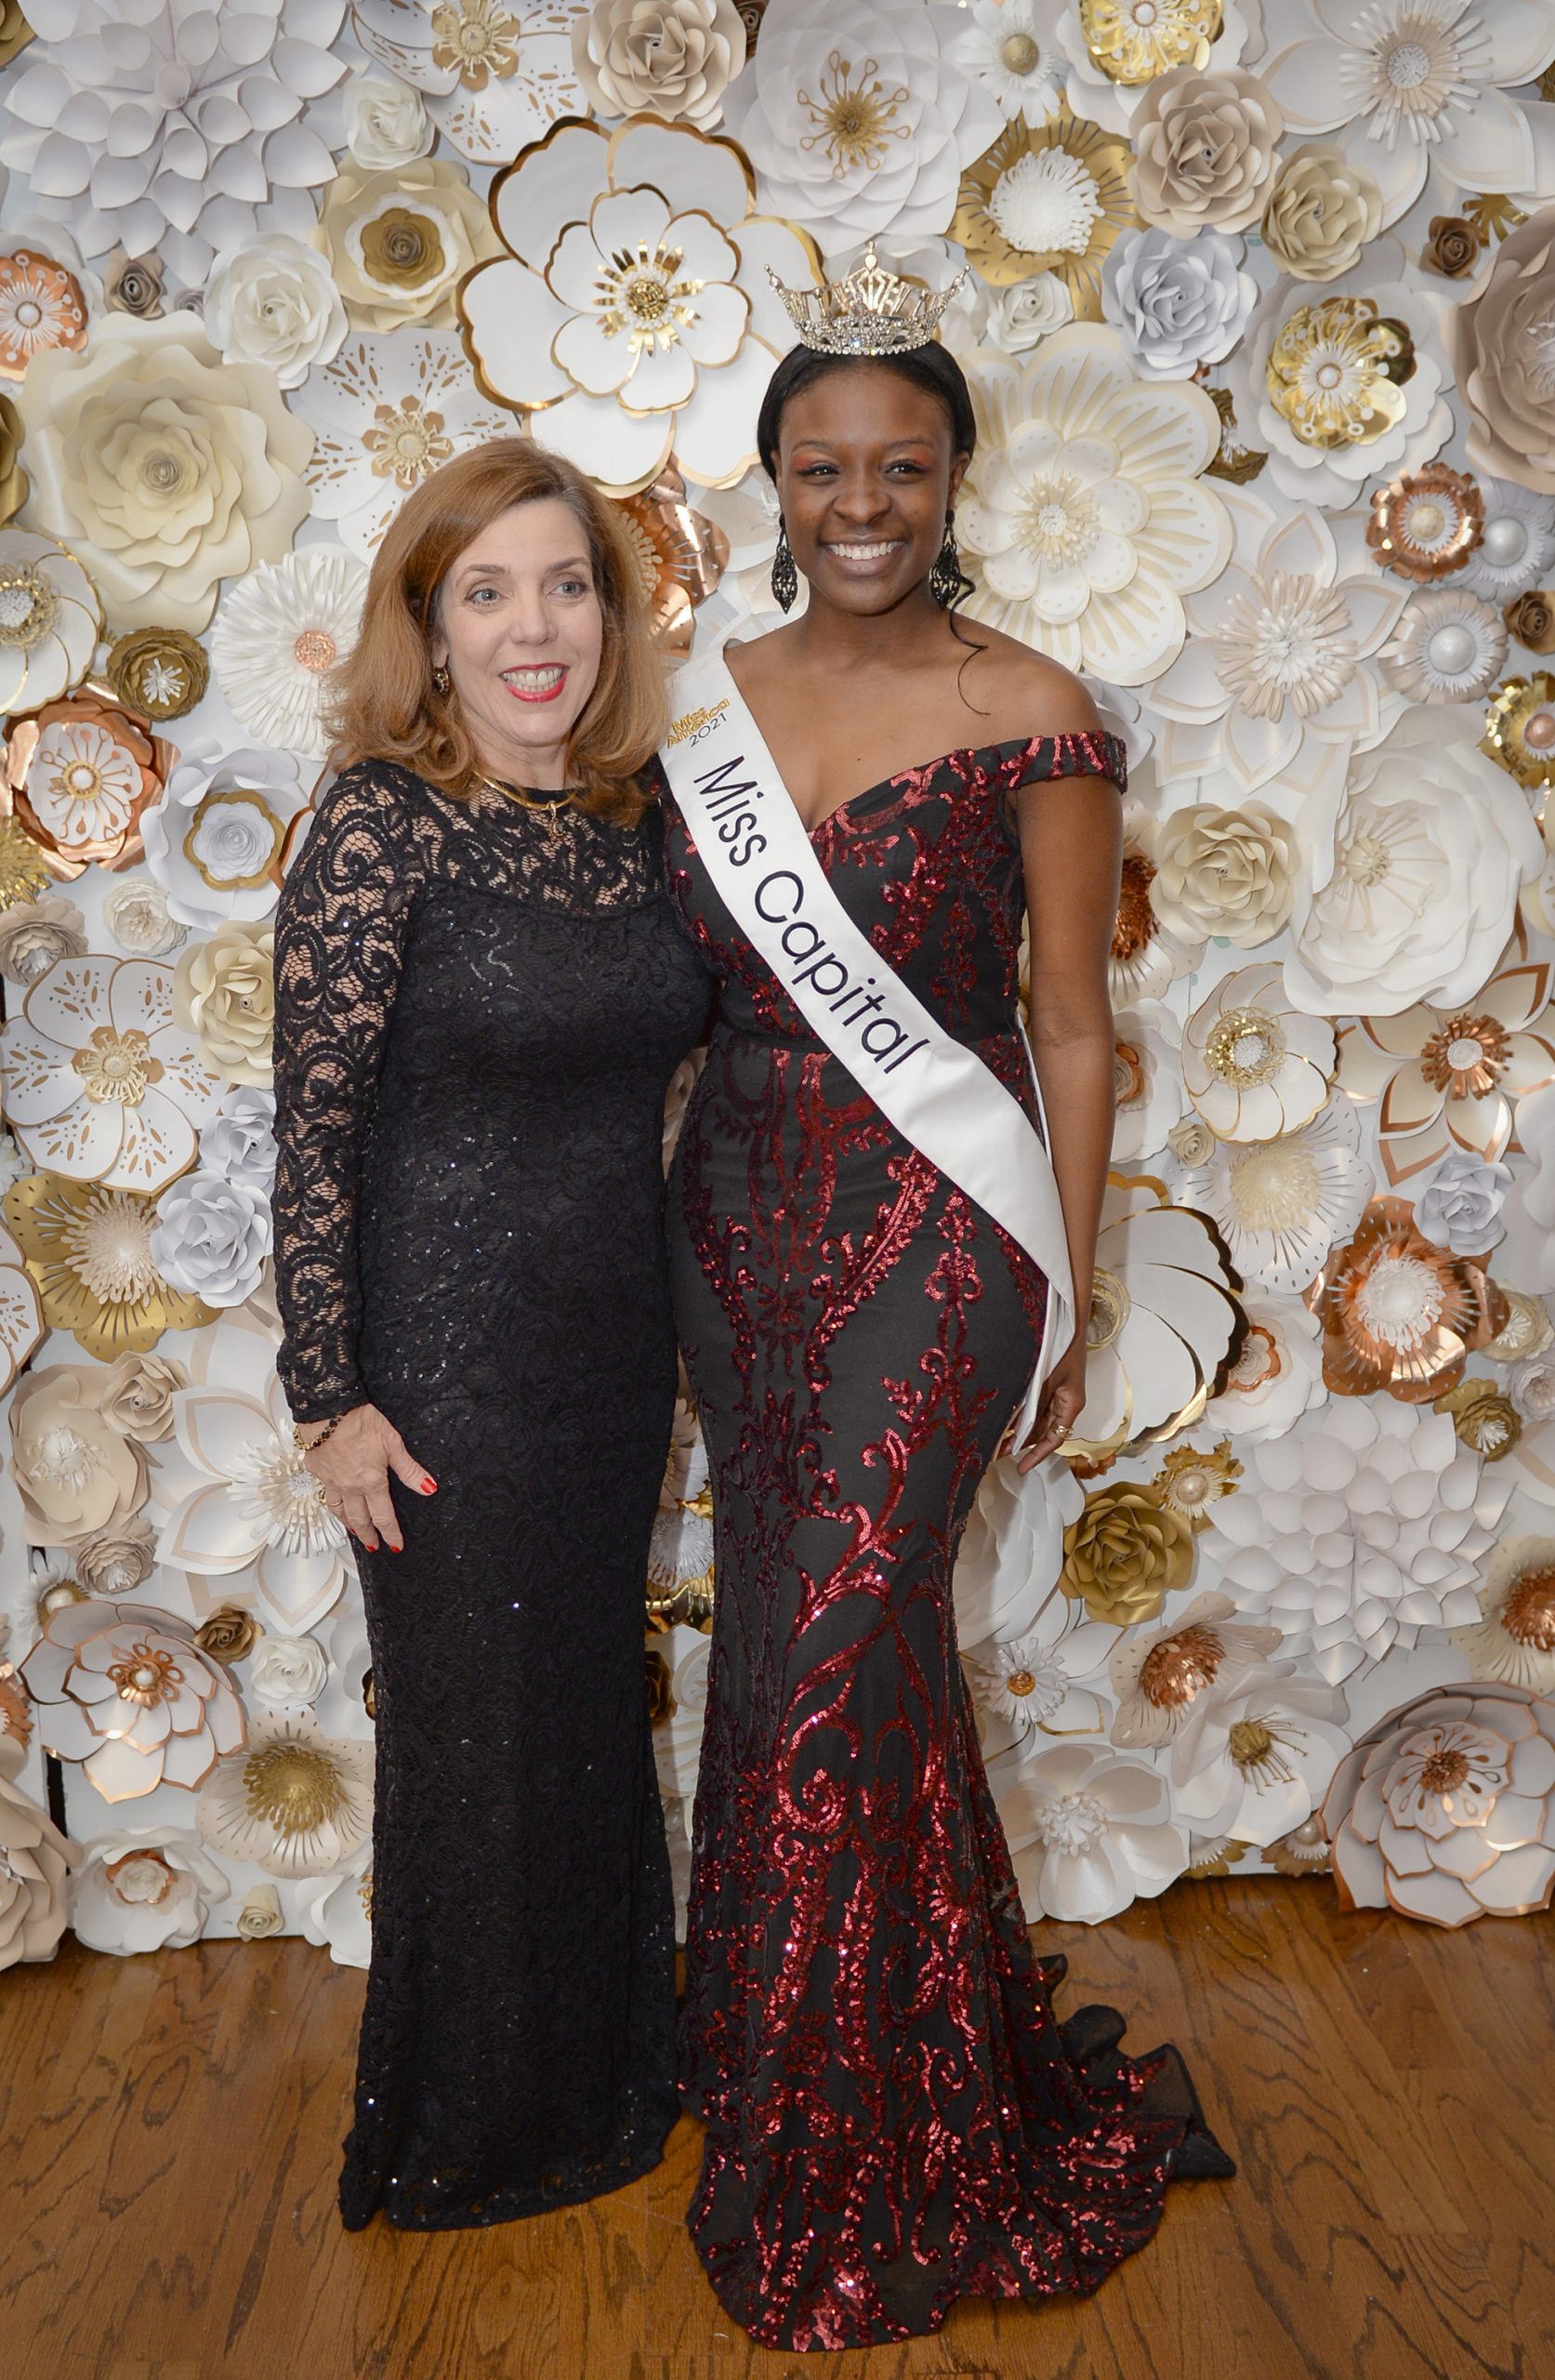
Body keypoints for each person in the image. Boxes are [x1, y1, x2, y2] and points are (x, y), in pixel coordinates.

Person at [656, 274, 1232, 2349]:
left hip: (944, 1225)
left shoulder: (1033, 706)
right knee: (810, 1642)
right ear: (772, 482)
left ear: (957, 475)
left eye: (901, 466)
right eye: (823, 468)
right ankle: (855, 2055)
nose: (862, 503)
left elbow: (1070, 1022)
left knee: (838, 1633)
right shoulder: (692, 711)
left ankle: (863, 2143)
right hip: (733, 1221)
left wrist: (1060, 1285)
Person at [271, 438, 711, 2230]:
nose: (536, 628)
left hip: (610, 1362)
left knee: (586, 1716)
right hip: (443, 1373)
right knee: (477, 1745)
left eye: (567, 585)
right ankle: (466, 2127)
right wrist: (329, 1399)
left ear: (610, 613)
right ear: (430, 628)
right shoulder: (380, 822)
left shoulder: (638, 825)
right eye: (488, 591)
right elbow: (311, 1128)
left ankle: (609, 2081)